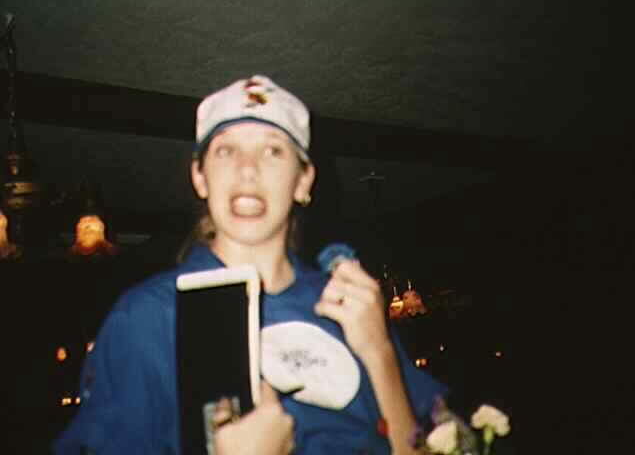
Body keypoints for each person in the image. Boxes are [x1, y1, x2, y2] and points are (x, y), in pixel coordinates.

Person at [53, 75, 446, 454]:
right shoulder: (147, 317)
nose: (247, 170)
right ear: (199, 177)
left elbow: (435, 443)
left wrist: (379, 351)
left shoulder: (351, 307)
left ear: (303, 181)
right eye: (226, 151)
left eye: (273, 151)